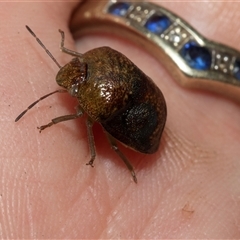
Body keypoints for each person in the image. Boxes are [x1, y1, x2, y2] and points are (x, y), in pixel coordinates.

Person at [1, 1, 240, 238]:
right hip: (153, 98)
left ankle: (121, 163)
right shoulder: (99, 61)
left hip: (145, 124)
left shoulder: (96, 103)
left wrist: (59, 127)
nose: (71, 81)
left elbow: (78, 115)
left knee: (106, 138)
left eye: (75, 83)